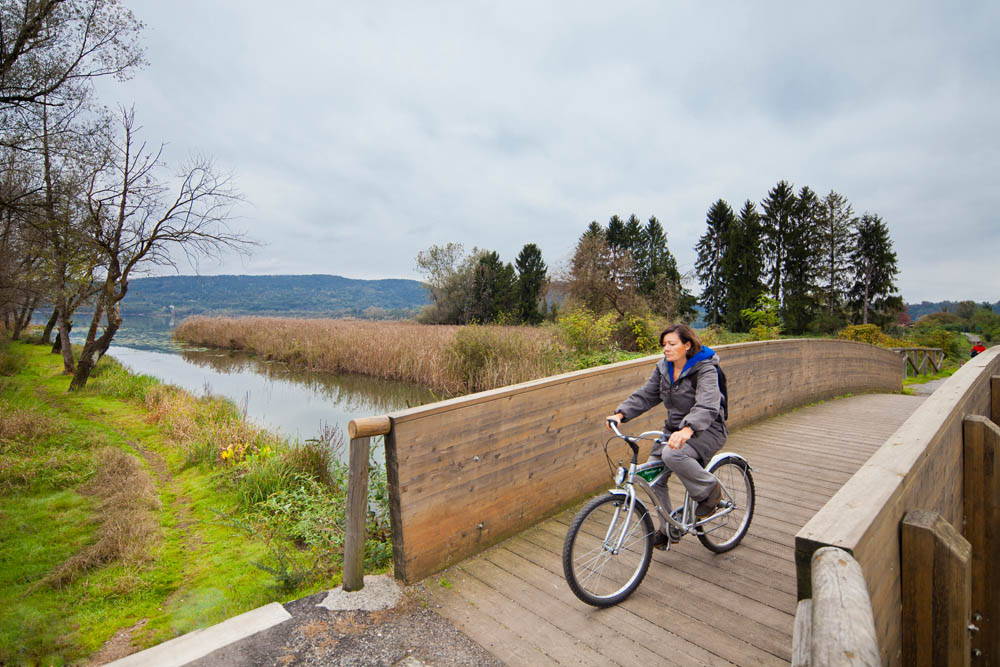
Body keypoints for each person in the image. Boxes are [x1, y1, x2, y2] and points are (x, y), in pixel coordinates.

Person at [606, 323, 727, 549]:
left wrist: (688, 429)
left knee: (672, 455)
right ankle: (669, 528)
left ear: (687, 345)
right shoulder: (664, 368)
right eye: (664, 345)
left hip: (707, 429)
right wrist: (621, 414)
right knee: (653, 475)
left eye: (672, 344)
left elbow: (708, 404)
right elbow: (646, 395)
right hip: (674, 432)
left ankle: (710, 491)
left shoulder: (705, 368)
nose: (666, 349)